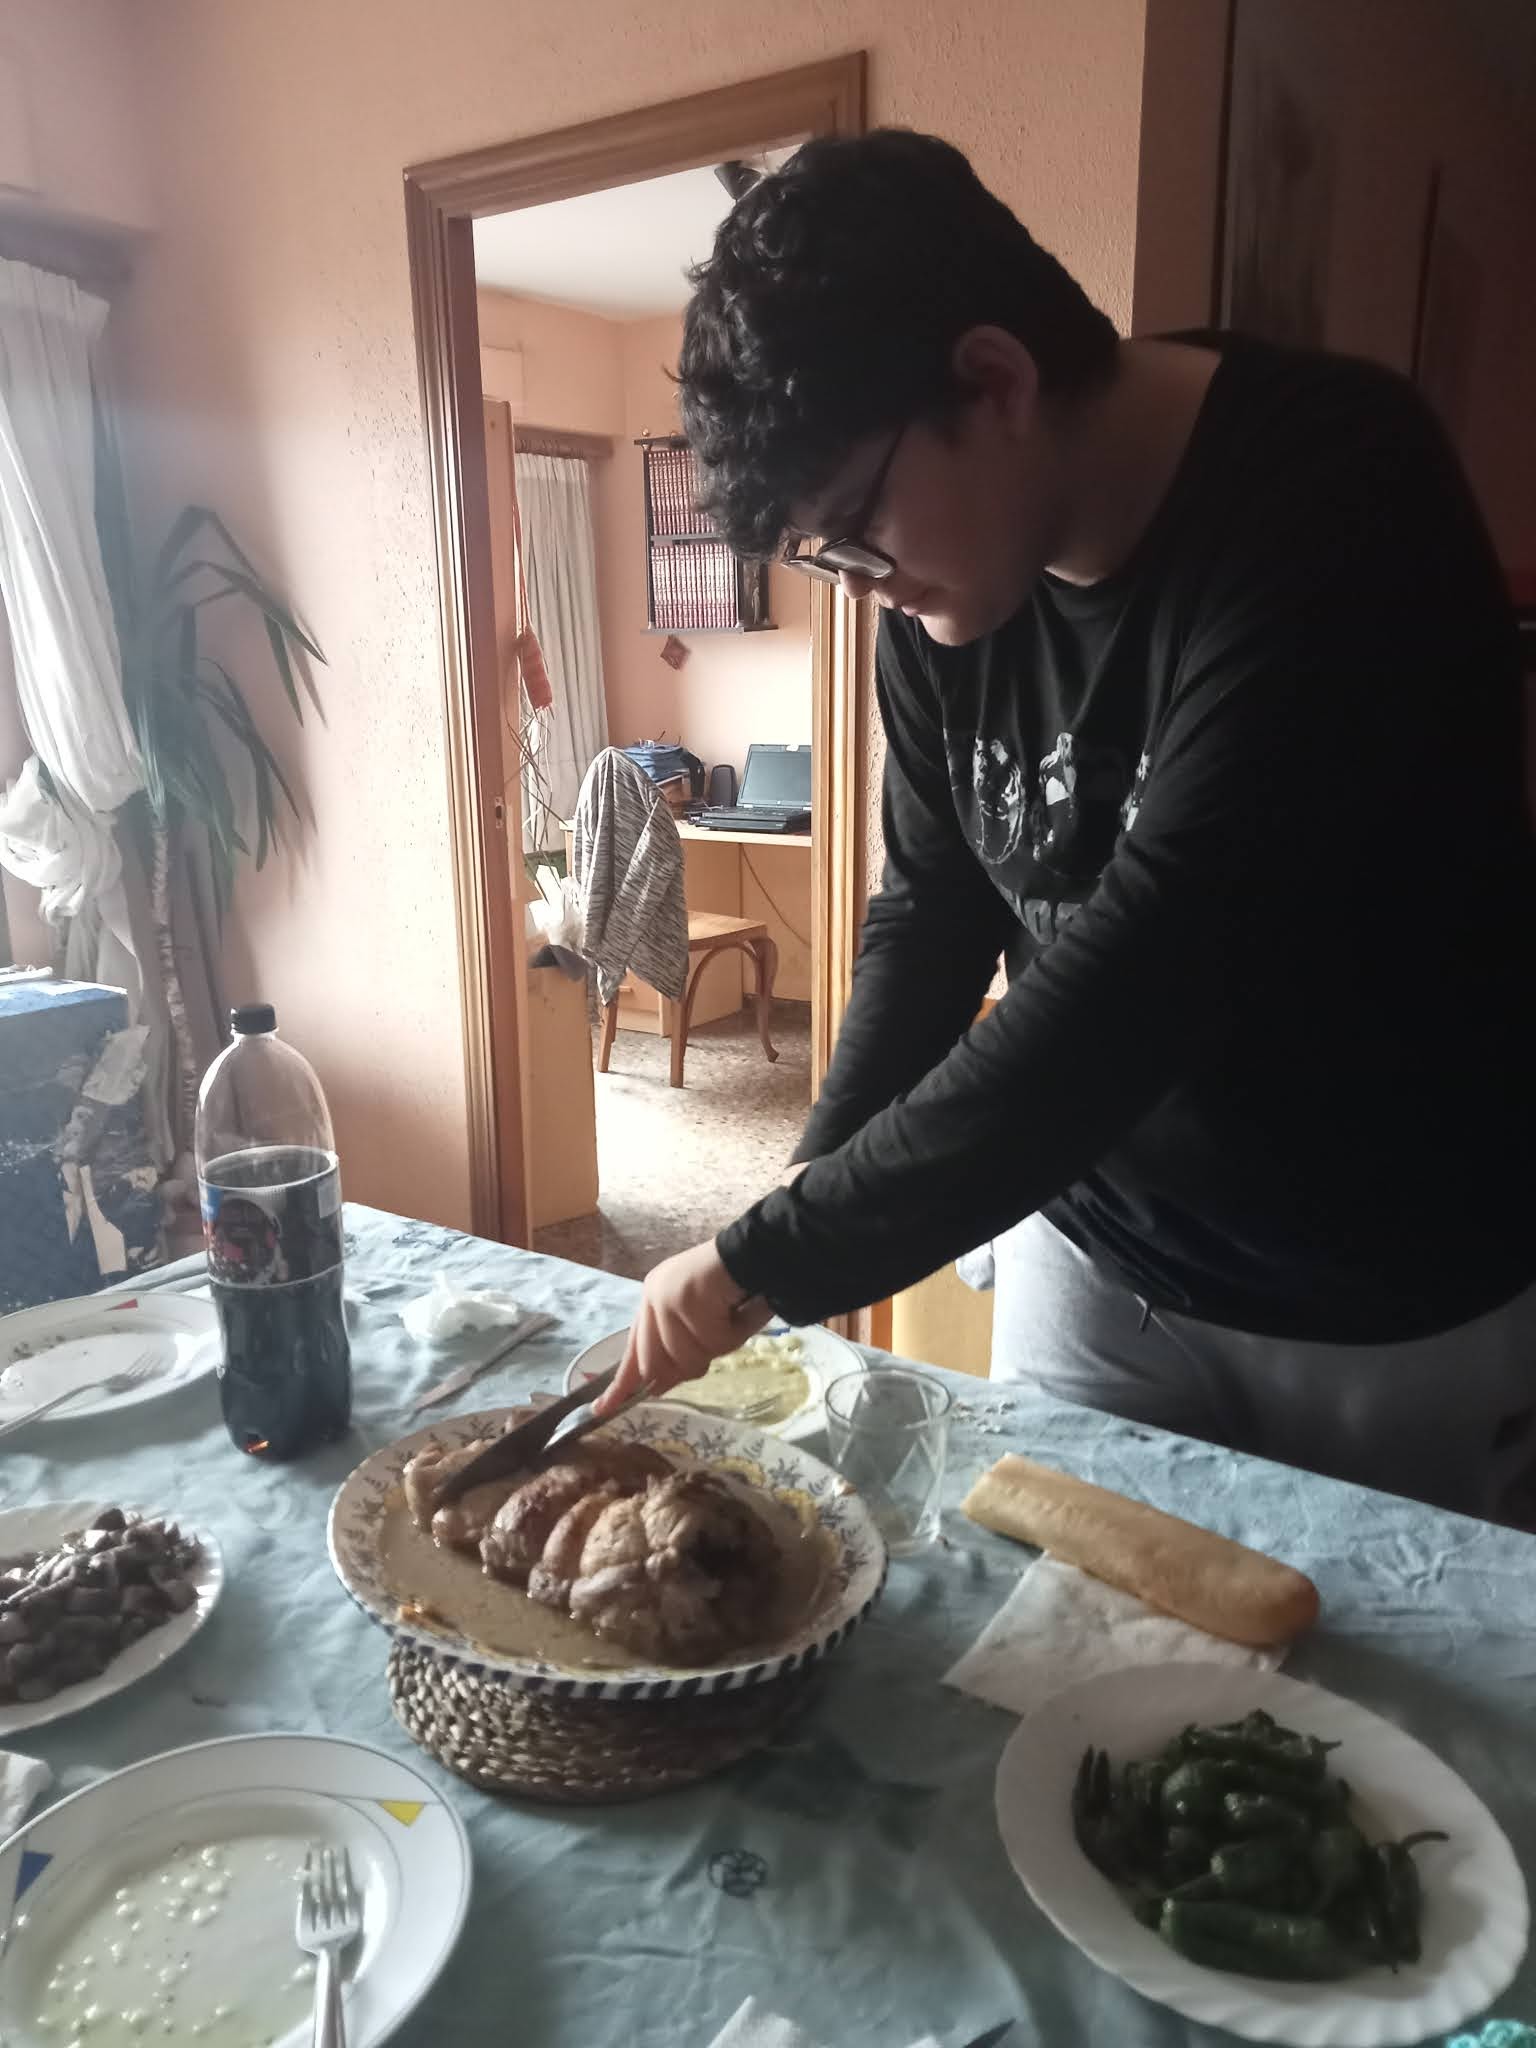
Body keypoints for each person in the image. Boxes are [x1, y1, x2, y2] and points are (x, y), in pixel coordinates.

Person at [597, 128, 1536, 1518]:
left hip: (1385, 1293)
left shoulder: (1341, 491)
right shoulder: (950, 580)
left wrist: (776, 1252)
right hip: (1099, 1257)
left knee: (1362, 1663)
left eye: (853, 532)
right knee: (1033, 1639)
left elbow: (1155, 967)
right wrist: (807, 1175)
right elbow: (933, 909)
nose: (860, 586)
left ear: (995, 381)